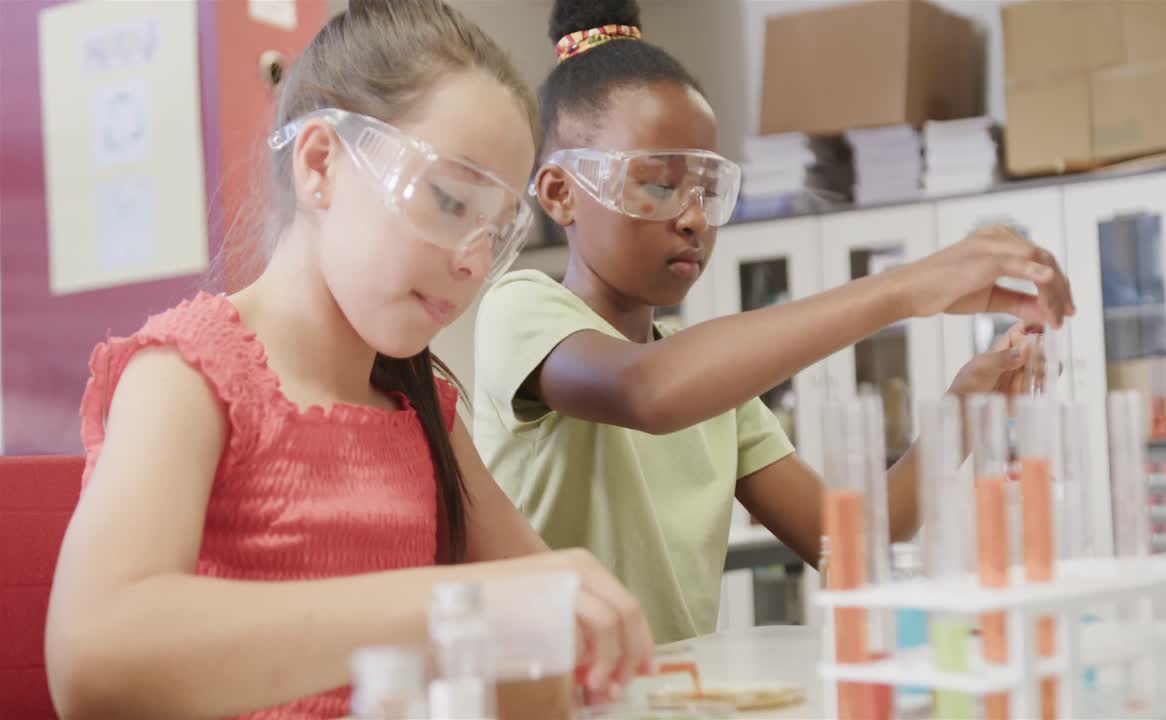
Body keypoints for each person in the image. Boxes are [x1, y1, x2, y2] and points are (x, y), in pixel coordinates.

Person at [44, 2, 653, 718]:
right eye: (451, 201)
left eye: (498, 230)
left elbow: (543, 639)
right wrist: (444, 607)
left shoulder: (423, 410)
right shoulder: (187, 375)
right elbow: (94, 656)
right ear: (320, 164)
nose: (473, 261)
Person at [473, 0, 1075, 644]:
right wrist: (905, 288)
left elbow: (852, 538)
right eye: (657, 184)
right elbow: (646, 391)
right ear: (561, 193)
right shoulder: (520, 308)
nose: (694, 217)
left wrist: (964, 405)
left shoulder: (713, 391)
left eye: (707, 190)